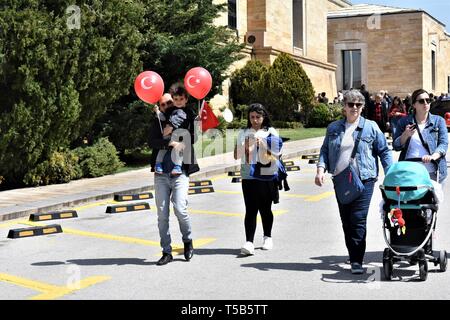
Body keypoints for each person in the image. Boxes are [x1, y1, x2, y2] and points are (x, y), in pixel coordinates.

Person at [315, 89, 393, 274]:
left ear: (363, 107)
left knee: (358, 218)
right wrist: (320, 169)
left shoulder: (371, 127)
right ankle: (353, 252)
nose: (355, 108)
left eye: (359, 105)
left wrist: (390, 172)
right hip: (341, 179)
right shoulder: (334, 128)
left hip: (365, 179)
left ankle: (357, 260)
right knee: (346, 220)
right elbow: (325, 150)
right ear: (344, 107)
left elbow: (384, 151)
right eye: (351, 104)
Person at [148, 90, 200, 266]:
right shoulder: (158, 121)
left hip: (180, 172)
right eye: (163, 104)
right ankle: (166, 251)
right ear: (159, 107)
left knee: (180, 209)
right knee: (162, 215)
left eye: (169, 103)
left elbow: (194, 137)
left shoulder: (184, 116)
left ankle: (188, 240)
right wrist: (168, 142)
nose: (167, 106)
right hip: (161, 175)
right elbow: (152, 142)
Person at [234, 103, 281, 256]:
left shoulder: (270, 132)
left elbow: (277, 154)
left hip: (266, 175)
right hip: (248, 175)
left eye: (258, 117)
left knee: (265, 208)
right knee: (250, 209)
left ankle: (268, 236)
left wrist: (264, 145)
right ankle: (249, 242)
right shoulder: (243, 132)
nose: (255, 120)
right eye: (252, 117)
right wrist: (246, 146)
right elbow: (236, 155)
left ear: (264, 117)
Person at [393, 89, 448, 185]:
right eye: (421, 101)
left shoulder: (438, 121)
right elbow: (396, 146)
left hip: (433, 172)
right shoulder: (403, 122)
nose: (426, 103)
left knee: (433, 200)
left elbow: (443, 143)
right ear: (414, 104)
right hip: (410, 172)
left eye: (428, 100)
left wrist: (433, 157)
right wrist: (405, 135)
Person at [154, 84, 191, 176]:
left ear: (186, 99)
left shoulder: (187, 111)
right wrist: (157, 112)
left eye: (181, 99)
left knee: (178, 149)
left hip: (178, 136)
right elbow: (163, 118)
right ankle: (158, 164)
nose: (178, 102)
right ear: (173, 100)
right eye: (176, 99)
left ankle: (177, 166)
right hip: (168, 135)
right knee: (162, 148)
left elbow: (189, 122)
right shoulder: (170, 110)